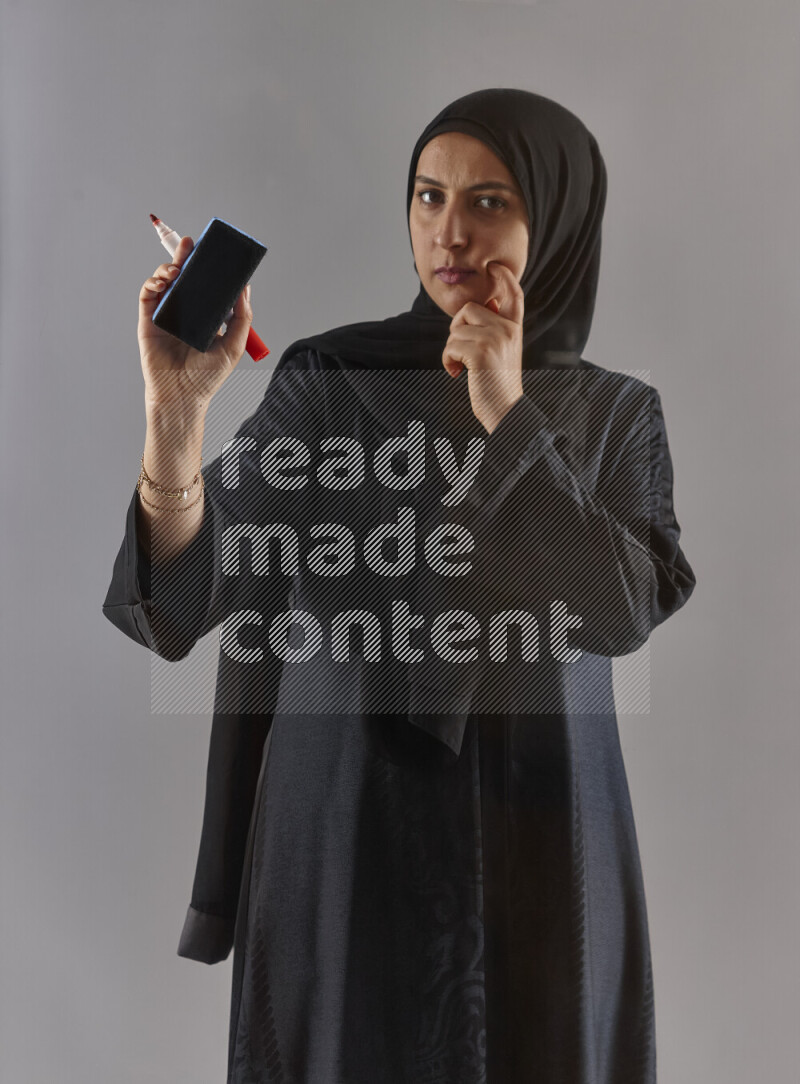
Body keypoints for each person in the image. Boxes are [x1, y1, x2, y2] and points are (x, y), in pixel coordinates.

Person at [103, 88, 696, 1083]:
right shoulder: (329, 383)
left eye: (490, 201)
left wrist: (508, 413)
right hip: (345, 836)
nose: (448, 231)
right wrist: (174, 418)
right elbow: (189, 590)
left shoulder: (615, 417)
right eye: (427, 197)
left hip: (543, 851)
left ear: (553, 218)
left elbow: (619, 605)